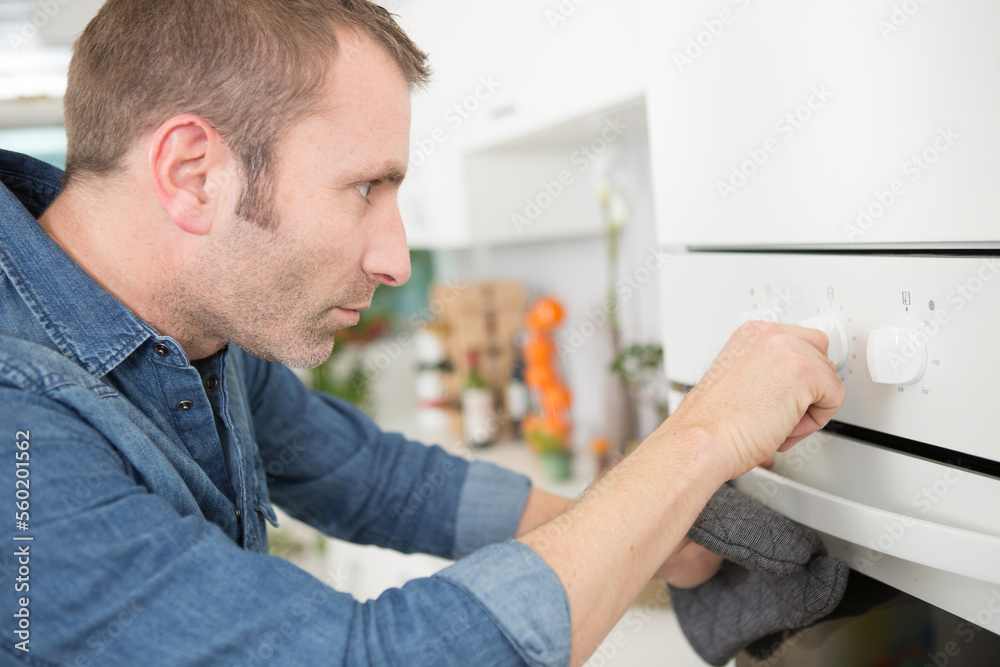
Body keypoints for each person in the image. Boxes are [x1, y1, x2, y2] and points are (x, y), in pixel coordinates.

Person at [0, 0, 845, 664]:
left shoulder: (187, 330)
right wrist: (700, 438)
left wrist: (666, 542)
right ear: (193, 175)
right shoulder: (19, 422)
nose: (398, 258)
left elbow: (378, 479)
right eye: (366, 187)